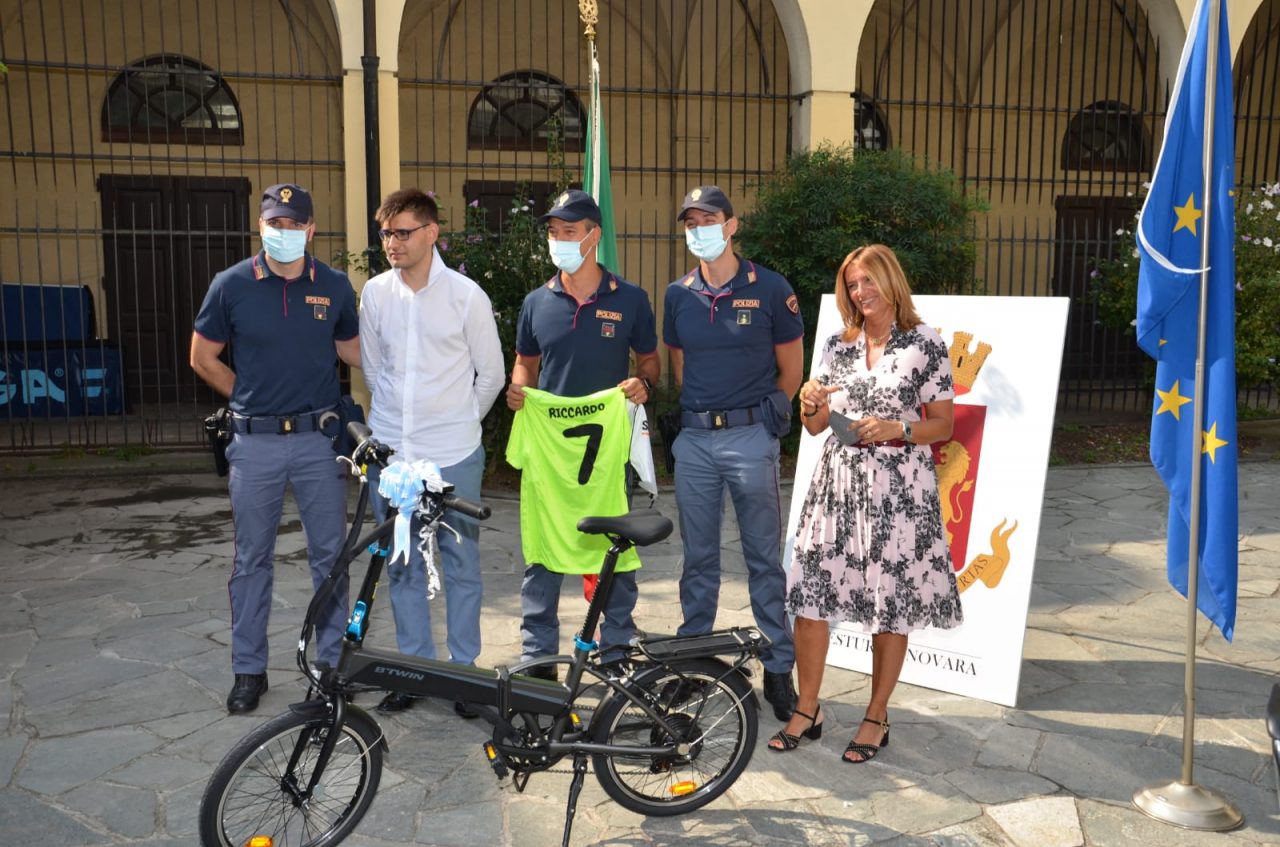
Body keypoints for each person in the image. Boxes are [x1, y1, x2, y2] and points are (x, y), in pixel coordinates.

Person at [770, 243, 962, 762]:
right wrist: (809, 402)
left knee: (889, 605)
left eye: (869, 281)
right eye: (853, 284)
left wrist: (897, 426)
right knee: (810, 595)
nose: (861, 292)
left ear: (890, 281)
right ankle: (807, 708)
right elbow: (813, 428)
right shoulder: (837, 343)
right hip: (837, 484)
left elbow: (943, 424)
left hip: (899, 488)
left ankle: (876, 715)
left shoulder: (925, 343)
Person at [191, 183, 361, 714]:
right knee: (251, 561)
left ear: (311, 230)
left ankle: (329, 664)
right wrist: (243, 395)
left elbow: (355, 352)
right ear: (260, 227)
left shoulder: (333, 286)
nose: (283, 233)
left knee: (329, 558)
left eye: (293, 224)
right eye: (274, 223)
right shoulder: (231, 284)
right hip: (255, 443)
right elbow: (202, 357)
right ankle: (248, 669)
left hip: (317, 441)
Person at [360, 188, 504, 716]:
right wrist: (396, 427)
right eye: (386, 234)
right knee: (402, 564)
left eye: (403, 232)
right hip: (395, 456)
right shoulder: (375, 294)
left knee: (461, 563)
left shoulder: (466, 296)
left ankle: (464, 674)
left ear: (431, 233)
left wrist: (458, 422)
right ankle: (415, 671)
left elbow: (490, 374)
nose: (392, 243)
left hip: (453, 453)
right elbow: (373, 369)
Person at [662, 185, 804, 722]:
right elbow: (680, 365)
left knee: (764, 560)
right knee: (698, 561)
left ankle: (778, 664)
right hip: (696, 440)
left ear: (731, 225)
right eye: (690, 221)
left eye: (708, 219)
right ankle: (694, 656)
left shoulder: (769, 288)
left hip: (750, 439)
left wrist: (767, 423)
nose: (698, 228)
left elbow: (791, 369)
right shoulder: (679, 294)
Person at [506, 189, 660, 677]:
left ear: (593, 236)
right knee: (543, 554)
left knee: (614, 552)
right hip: (552, 454)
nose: (558, 241)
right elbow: (525, 366)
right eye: (553, 232)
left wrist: (644, 383)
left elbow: (651, 360)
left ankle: (614, 651)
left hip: (607, 451)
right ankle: (539, 658)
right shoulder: (536, 303)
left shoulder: (631, 299)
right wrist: (518, 393)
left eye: (568, 232)